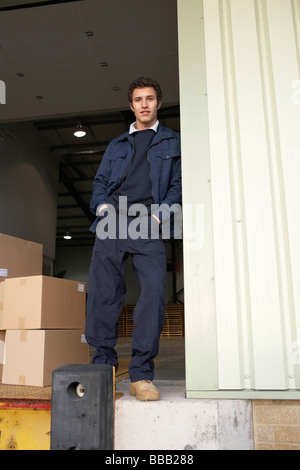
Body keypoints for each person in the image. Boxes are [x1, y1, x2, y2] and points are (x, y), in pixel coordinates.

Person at [85, 77, 181, 401]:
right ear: (131, 105)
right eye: (138, 99)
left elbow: (178, 186)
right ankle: (103, 373)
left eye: (150, 98)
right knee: (103, 295)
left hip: (148, 222)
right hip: (113, 220)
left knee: (153, 292)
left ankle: (141, 375)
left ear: (158, 103)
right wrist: (101, 207)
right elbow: (99, 182)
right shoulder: (117, 145)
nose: (144, 104)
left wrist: (158, 216)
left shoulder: (172, 142)